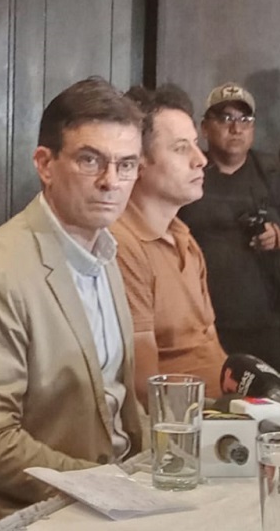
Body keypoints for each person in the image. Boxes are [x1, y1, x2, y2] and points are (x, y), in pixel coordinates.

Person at [0, 77, 145, 531]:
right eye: (90, 160)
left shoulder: (104, 253)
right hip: (19, 511)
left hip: (105, 498)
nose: (111, 182)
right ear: (45, 164)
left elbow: (117, 405)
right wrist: (107, 487)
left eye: (126, 165)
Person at [177, 82, 280, 371]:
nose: (236, 128)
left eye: (244, 120)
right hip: (201, 324)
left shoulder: (271, 173)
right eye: (225, 118)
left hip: (266, 323)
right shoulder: (190, 172)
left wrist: (278, 238)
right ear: (204, 128)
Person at [110, 83, 227, 406]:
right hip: (180, 425)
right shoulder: (121, 244)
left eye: (196, 145)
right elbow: (145, 390)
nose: (200, 160)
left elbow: (209, 348)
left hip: (223, 413)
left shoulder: (183, 237)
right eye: (180, 148)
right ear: (138, 162)